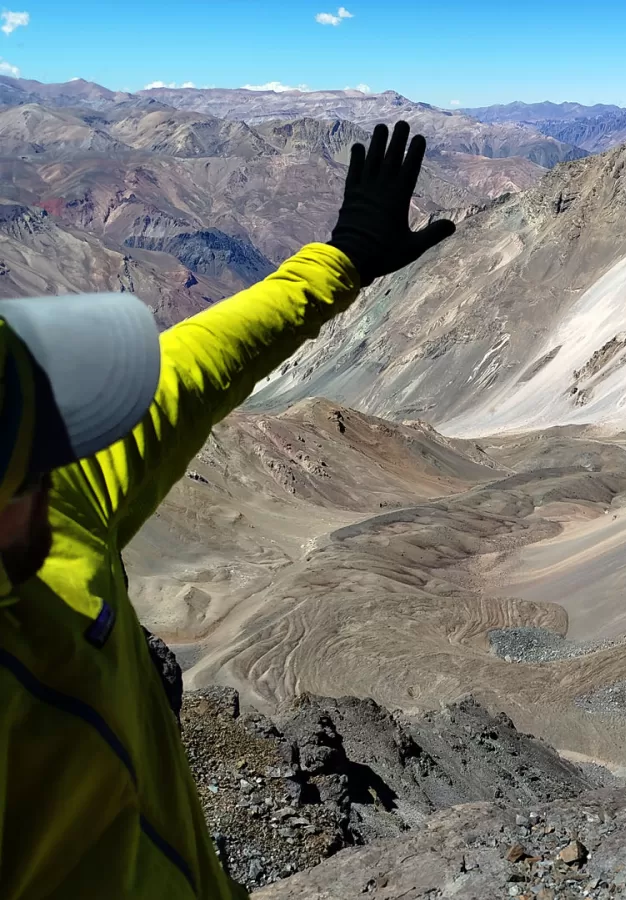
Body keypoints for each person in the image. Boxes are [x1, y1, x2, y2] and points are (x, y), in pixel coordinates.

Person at [0, 121, 454, 899]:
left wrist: (337, 262)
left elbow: (186, 373)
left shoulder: (58, 510)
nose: (63, 449)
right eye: (35, 439)